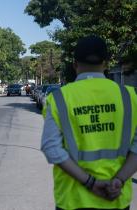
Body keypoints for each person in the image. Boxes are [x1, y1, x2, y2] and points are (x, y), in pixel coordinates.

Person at [41, 35, 137, 210]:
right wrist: (119, 179)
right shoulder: (130, 97)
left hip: (73, 200)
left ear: (75, 64)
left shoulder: (59, 98)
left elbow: (51, 148)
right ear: (106, 63)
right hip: (116, 199)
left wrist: (90, 183)